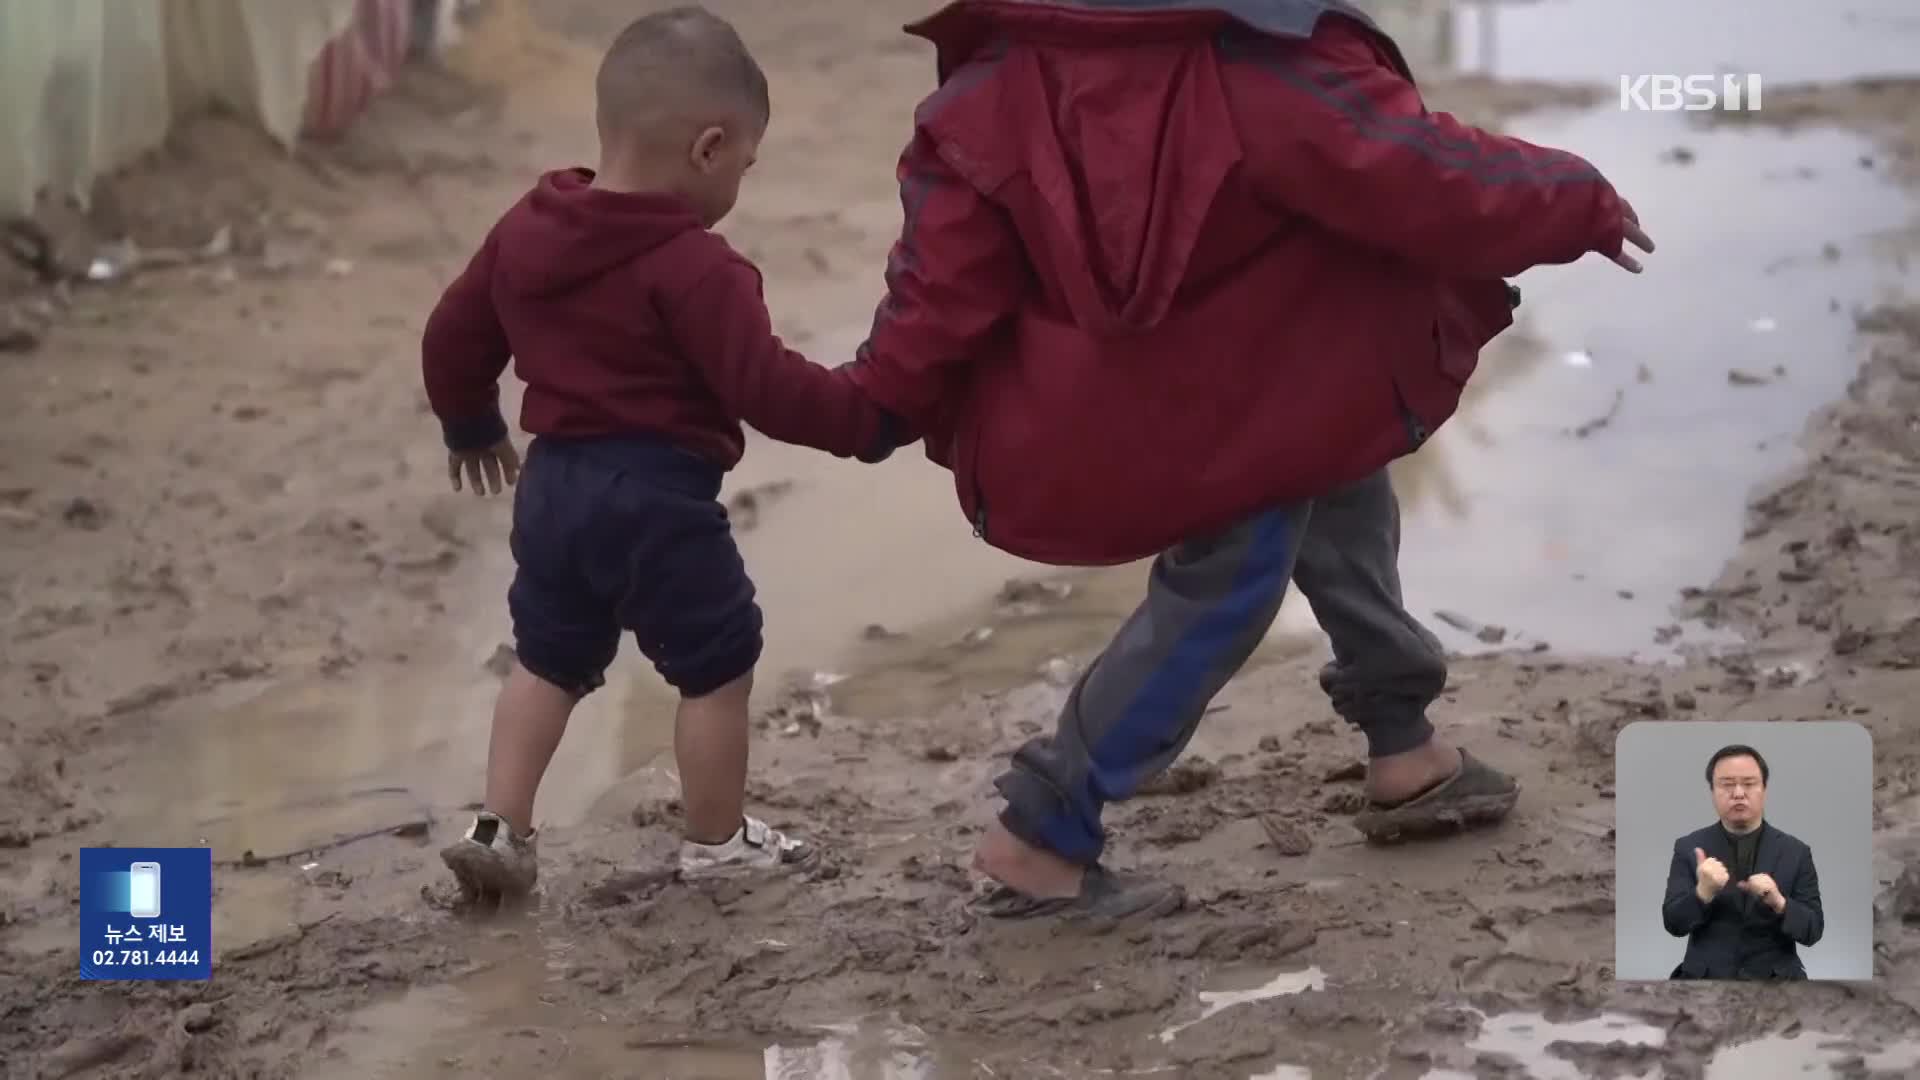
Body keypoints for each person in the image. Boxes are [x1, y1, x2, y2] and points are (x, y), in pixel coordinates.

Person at [843, 0, 1657, 918]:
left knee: (1344, 488)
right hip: (1247, 400)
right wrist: (1576, 198)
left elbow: (938, 282)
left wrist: (878, 395)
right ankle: (1046, 827)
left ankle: (1405, 748)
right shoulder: (1263, 70)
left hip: (1193, 404)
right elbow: (1421, 171)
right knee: (1222, 588)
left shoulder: (990, 88)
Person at [419, 6, 900, 902]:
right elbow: (768, 388)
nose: (740, 185)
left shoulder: (527, 227)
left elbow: (452, 333)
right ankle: (717, 842)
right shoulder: (697, 268)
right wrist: (869, 420)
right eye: (745, 165)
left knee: (547, 659)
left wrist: (471, 424)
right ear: (709, 147)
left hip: (554, 488)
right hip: (655, 499)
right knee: (717, 663)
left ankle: (500, 828)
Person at [1661, 744, 1824, 979]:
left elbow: (1813, 930)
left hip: (1776, 985)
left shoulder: (1796, 851)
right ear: (1712, 791)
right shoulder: (1688, 847)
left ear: (1764, 789)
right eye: (1727, 785)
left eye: (1749, 784)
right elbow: (1673, 924)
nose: (1738, 793)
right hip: (1705, 983)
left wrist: (1779, 902)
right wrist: (1702, 893)